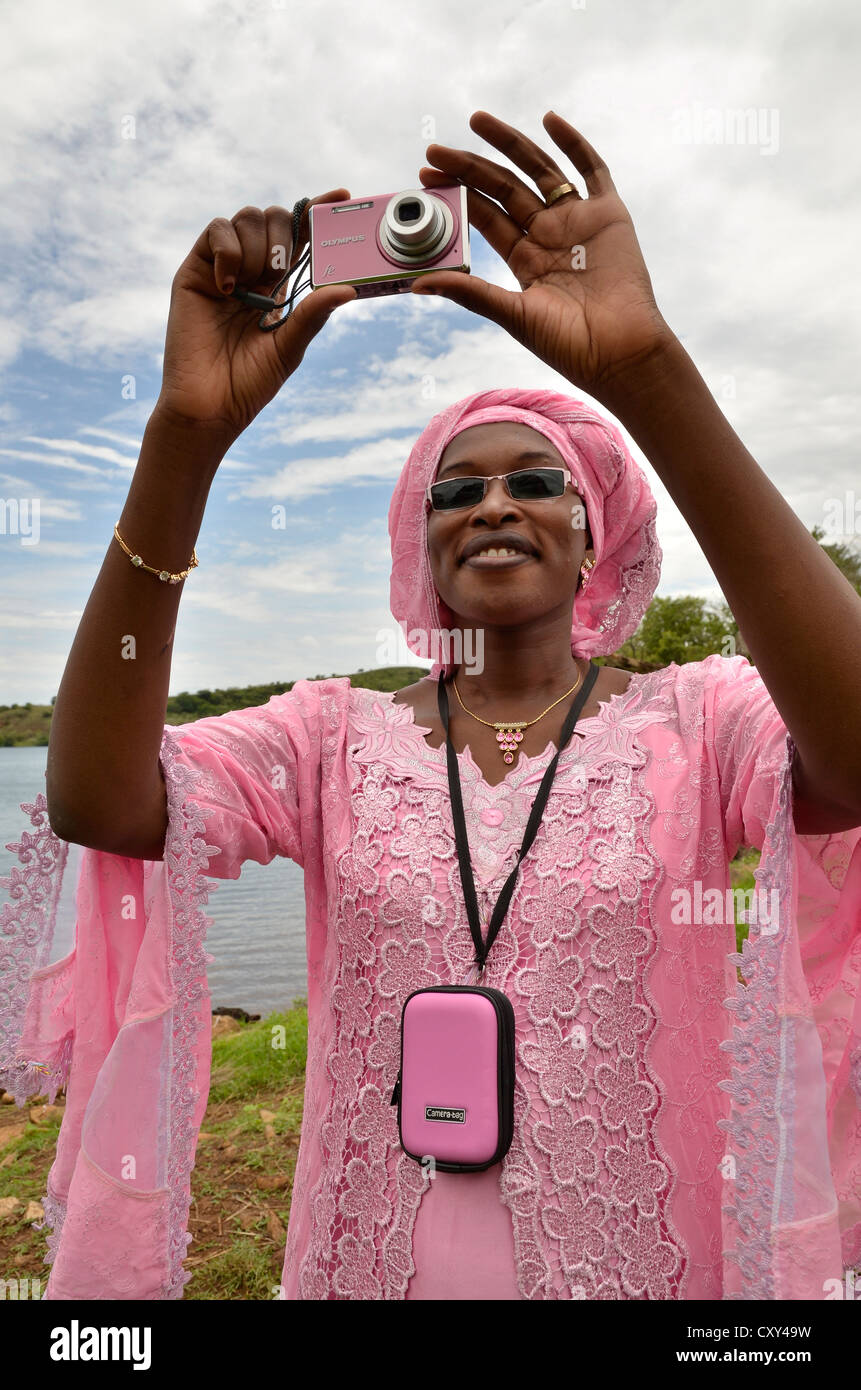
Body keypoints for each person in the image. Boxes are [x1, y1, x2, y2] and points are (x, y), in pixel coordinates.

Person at [2, 110, 860, 1301]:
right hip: (371, 1263)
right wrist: (183, 441)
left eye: (536, 480)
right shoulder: (326, 737)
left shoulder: (701, 721)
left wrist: (646, 373)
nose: (494, 502)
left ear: (596, 527)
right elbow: (97, 799)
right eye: (457, 487)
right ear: (421, 544)